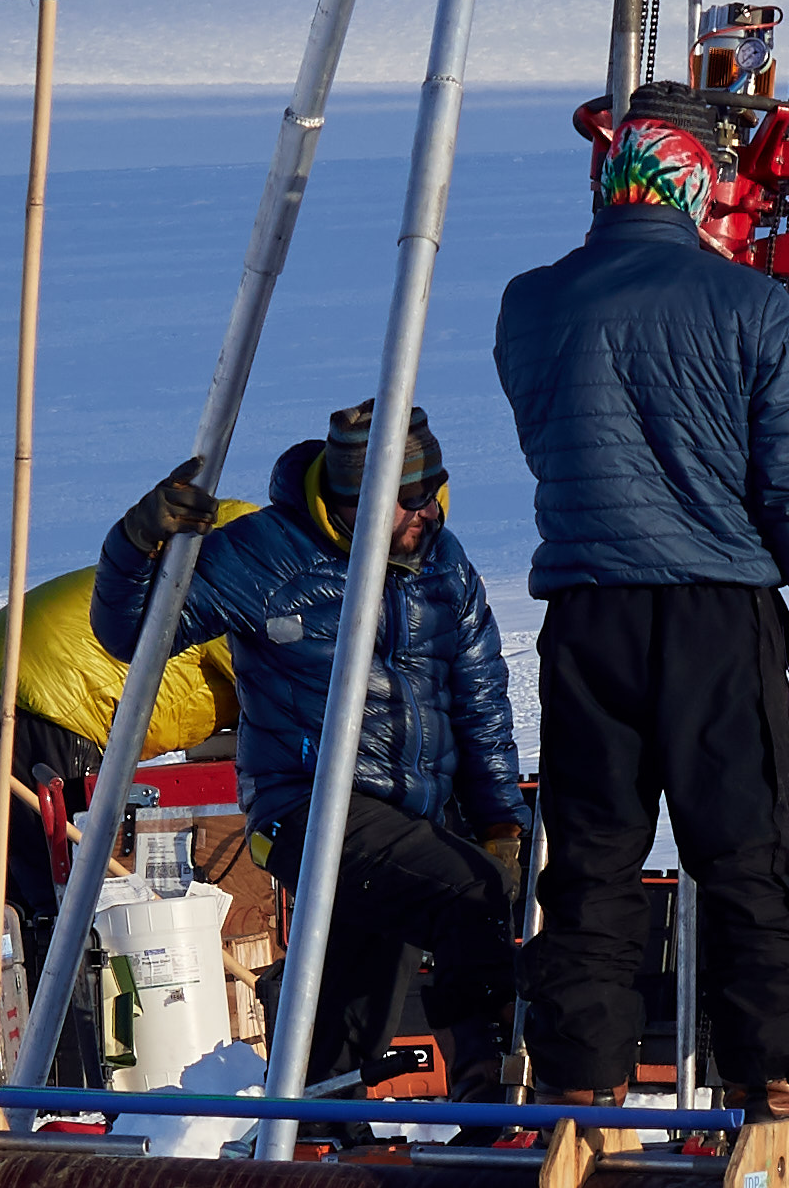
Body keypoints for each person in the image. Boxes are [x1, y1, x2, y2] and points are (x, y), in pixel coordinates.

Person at [490, 103, 789, 1112]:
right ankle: (779, 1086)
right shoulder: (750, 309)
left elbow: (551, 443)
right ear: (698, 192)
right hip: (717, 616)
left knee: (591, 862)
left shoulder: (530, 306)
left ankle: (581, 1095)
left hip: (586, 616)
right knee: (744, 856)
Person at [87, 402, 530, 1093]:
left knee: (358, 997)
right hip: (310, 802)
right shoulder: (265, 556)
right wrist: (133, 545)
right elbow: (132, 635)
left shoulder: (444, 564)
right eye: (405, 502)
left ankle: (319, 1127)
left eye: (432, 494)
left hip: (413, 809)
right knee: (467, 894)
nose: (427, 515)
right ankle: (489, 1094)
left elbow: (479, 697)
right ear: (351, 501)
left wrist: (500, 818)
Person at [0, 515, 250, 1038]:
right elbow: (289, 696)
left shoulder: (193, 563)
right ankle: (75, 1049)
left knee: (17, 879)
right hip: (56, 697)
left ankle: (24, 1040)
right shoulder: (249, 585)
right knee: (70, 895)